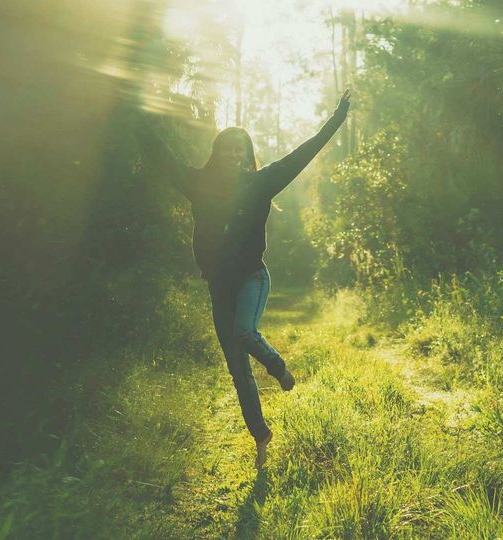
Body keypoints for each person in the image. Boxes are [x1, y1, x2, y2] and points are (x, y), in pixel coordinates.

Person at [134, 90, 351, 468]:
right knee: (236, 368)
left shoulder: (262, 182)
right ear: (217, 153)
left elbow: (305, 152)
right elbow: (161, 155)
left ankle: (279, 368)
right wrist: (131, 111)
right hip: (220, 284)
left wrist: (337, 118)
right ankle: (261, 436)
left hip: (253, 277)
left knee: (244, 333)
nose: (233, 156)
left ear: (248, 156)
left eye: (240, 151)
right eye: (227, 150)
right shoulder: (198, 183)